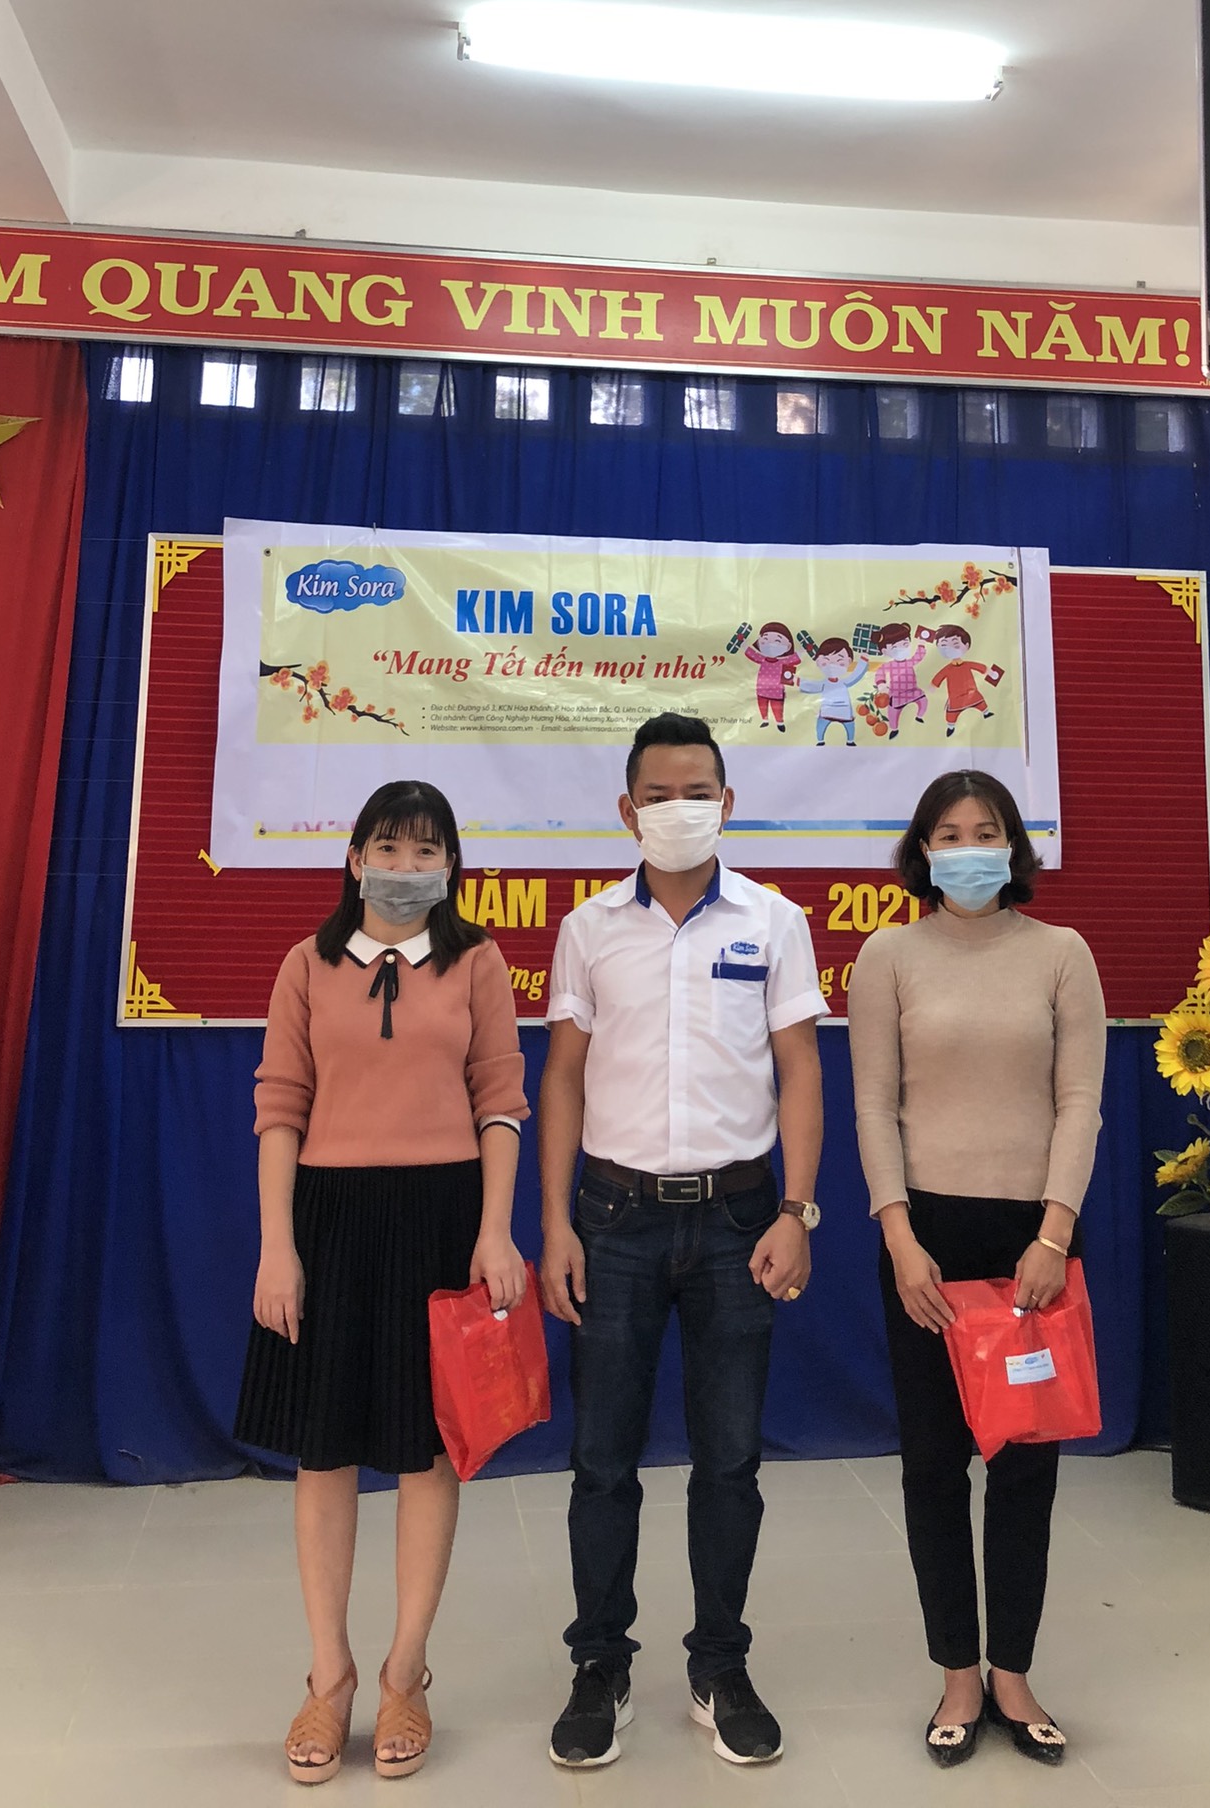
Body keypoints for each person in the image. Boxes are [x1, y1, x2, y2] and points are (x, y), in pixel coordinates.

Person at [538, 711, 828, 1771]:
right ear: (627, 810)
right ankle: (599, 1665)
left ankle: (720, 1665)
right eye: (657, 795)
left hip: (740, 1221)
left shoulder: (774, 920)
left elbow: (800, 1070)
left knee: (731, 1460)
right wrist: (554, 1220)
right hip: (612, 1219)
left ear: (728, 803)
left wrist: (798, 1211)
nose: (677, 809)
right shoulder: (588, 928)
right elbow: (562, 1078)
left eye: (696, 792)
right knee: (601, 1461)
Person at [237, 779, 529, 1785]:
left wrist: (495, 1230)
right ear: (355, 857)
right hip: (329, 1219)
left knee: (423, 1451)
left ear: (452, 864)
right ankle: (330, 1676)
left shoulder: (477, 960)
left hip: (443, 1219)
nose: (407, 868)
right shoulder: (307, 964)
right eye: (389, 848)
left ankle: (407, 1671)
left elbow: (500, 1100)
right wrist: (278, 1247)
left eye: (426, 850)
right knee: (323, 1454)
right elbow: (280, 1106)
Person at [848, 772, 1106, 1769]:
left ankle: (1014, 1673)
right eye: (949, 834)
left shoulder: (1062, 953)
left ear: (1013, 846)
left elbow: (1078, 1100)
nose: (968, 849)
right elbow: (874, 1105)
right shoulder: (889, 956)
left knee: (1026, 1466)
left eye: (985, 830)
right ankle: (958, 1672)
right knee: (931, 1464)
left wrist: (1055, 1233)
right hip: (926, 1241)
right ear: (923, 849)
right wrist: (898, 1235)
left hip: (1034, 1243)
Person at [796, 634, 869, 747]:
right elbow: (811, 685)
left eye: (840, 662)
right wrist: (795, 680)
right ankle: (820, 740)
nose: (832, 666)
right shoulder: (825, 683)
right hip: (827, 711)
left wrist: (863, 659)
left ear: (849, 661)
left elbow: (856, 674)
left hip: (844, 711)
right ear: (818, 663)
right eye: (825, 662)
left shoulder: (843, 682)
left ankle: (850, 740)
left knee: (849, 725)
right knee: (822, 725)